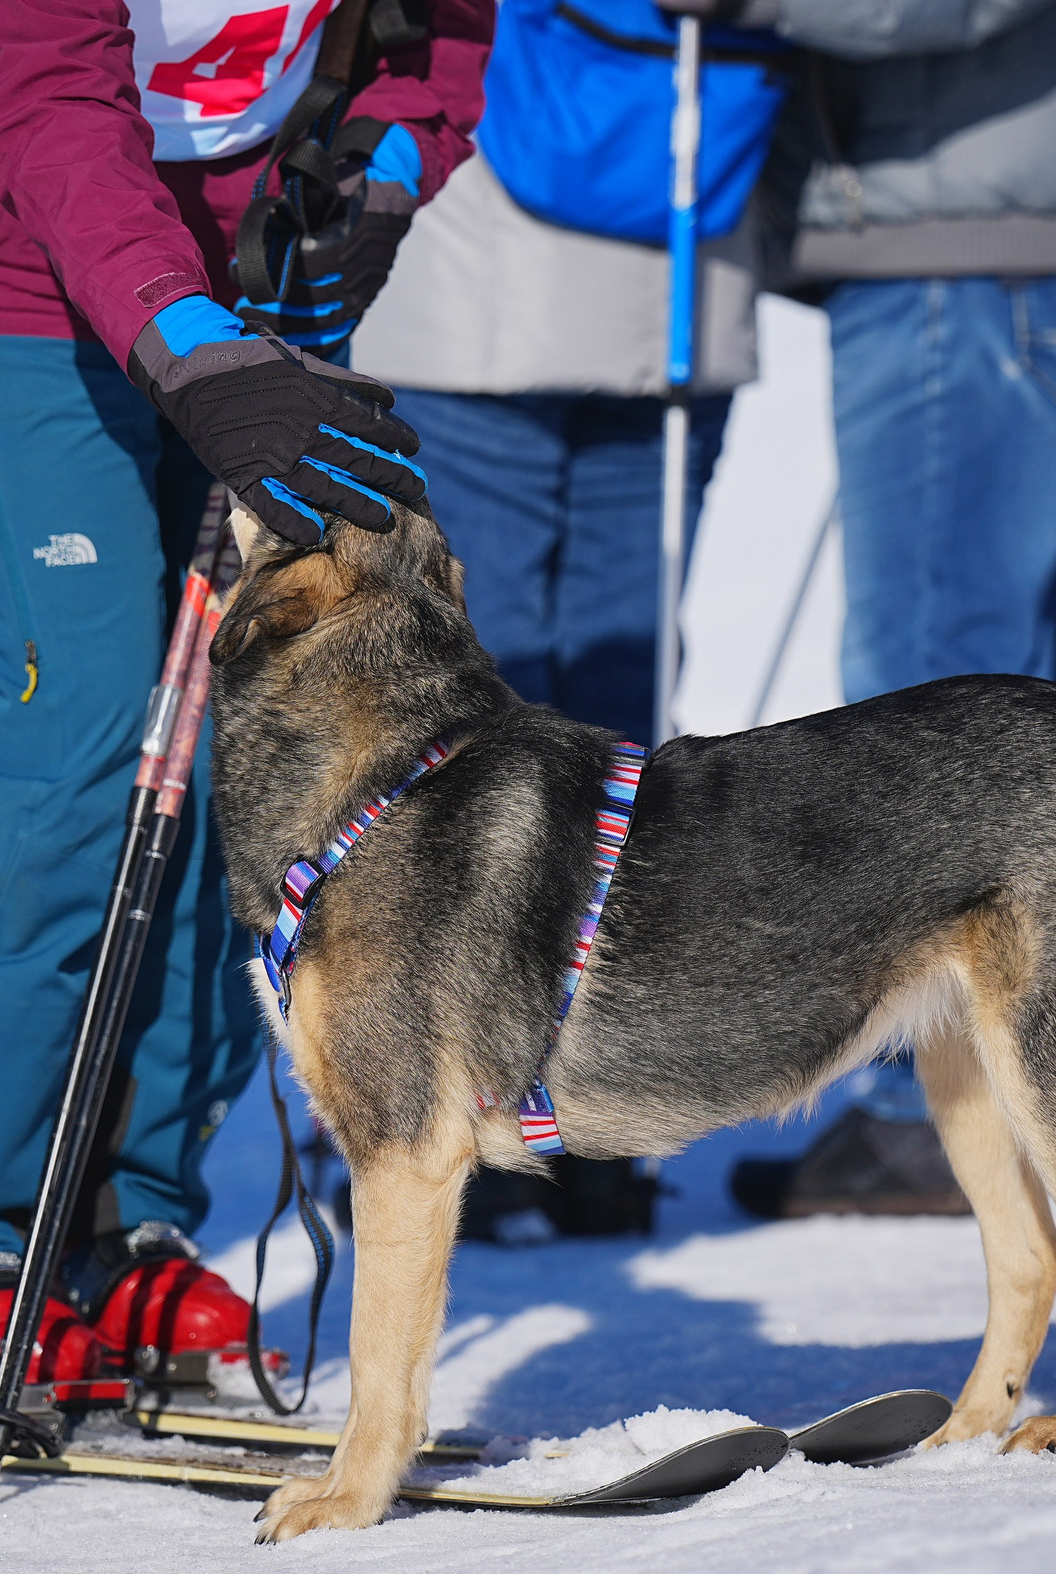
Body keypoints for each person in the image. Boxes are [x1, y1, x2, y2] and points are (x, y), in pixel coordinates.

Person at [0, 0, 488, 1399]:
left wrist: (384, 157)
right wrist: (183, 338)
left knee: (232, 731)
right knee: (76, 734)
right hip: (5, 225)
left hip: (241, 231)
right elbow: (49, 89)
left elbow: (447, 25)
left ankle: (121, 1206)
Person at [713, 0, 1056, 1218]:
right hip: (1002, 219)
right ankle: (1049, 1079)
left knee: (936, 706)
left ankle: (933, 1118)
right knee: (1039, 699)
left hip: (968, 237)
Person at [349, 94, 760, 1243]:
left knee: (517, 727)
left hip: (490, 277)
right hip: (659, 268)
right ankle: (539, 1111)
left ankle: (519, 1102)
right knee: (549, 724)